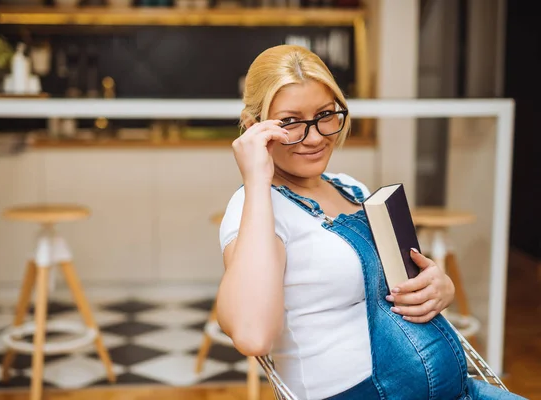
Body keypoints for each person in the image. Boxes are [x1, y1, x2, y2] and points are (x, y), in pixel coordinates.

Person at [216, 45, 526, 400]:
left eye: (325, 115)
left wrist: (439, 287)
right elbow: (253, 335)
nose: (315, 137)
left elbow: (399, 285)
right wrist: (257, 179)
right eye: (290, 122)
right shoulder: (253, 207)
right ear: (255, 127)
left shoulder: (350, 187)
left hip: (456, 390)